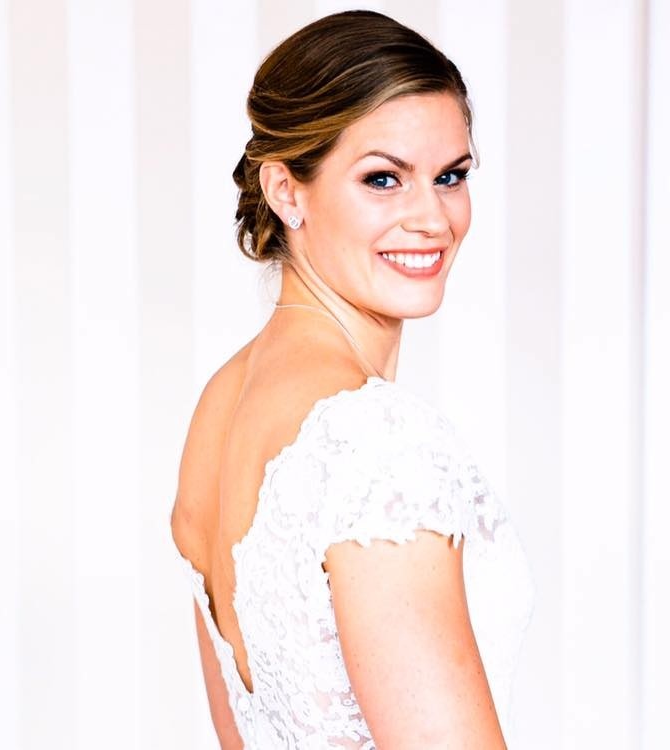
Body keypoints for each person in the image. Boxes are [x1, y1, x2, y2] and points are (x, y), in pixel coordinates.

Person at [170, 10, 534, 749]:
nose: (432, 218)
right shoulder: (377, 441)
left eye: (450, 176)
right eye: (383, 179)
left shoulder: (221, 403)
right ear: (287, 191)